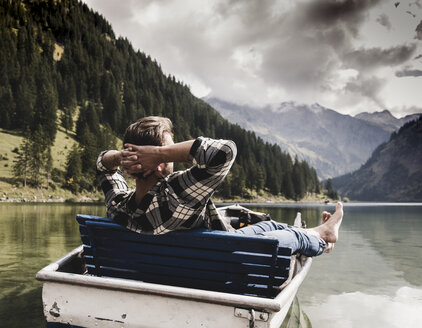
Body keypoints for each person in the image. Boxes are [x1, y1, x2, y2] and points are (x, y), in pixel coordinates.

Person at [97, 116, 343, 257]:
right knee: (289, 237)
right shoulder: (175, 195)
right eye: (166, 151)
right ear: (158, 164)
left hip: (184, 261)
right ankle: (321, 235)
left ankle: (317, 231)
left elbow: (102, 164)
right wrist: (160, 153)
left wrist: (122, 158)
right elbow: (224, 152)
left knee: (268, 225)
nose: (168, 155)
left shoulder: (119, 206)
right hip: (222, 260)